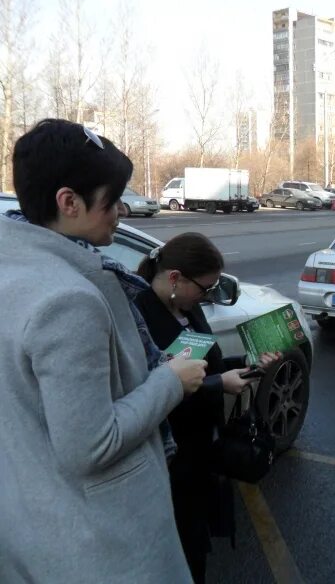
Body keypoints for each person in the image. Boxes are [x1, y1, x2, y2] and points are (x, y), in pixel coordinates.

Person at [0, 118, 206, 583]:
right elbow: (91, 445)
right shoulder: (67, 301)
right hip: (100, 547)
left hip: (28, 524)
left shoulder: (13, 268)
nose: (121, 212)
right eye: (111, 201)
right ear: (68, 202)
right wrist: (171, 381)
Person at [135, 232, 280, 583]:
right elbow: (152, 388)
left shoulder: (189, 307)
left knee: (197, 545)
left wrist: (246, 364)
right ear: (174, 278)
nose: (208, 296)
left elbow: (204, 363)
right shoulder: (139, 316)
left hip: (202, 450)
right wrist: (219, 384)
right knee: (177, 550)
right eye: (205, 288)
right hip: (168, 458)